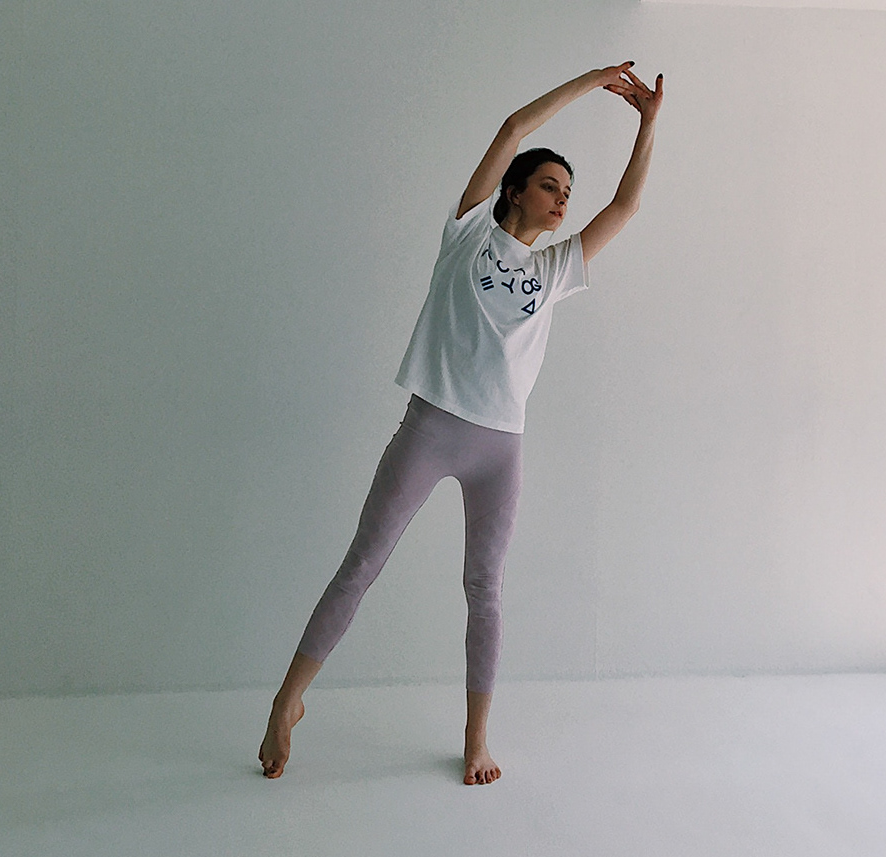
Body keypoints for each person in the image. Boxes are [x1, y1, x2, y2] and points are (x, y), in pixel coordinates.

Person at [259, 61, 663, 785]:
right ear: (513, 189)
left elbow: (625, 208)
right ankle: (288, 699)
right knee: (362, 564)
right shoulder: (468, 232)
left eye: (567, 194)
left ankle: (477, 740)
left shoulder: (555, 270)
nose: (561, 201)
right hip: (430, 428)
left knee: (485, 589)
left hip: (499, 447)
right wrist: (593, 80)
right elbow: (513, 127)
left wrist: (648, 125)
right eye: (550, 186)